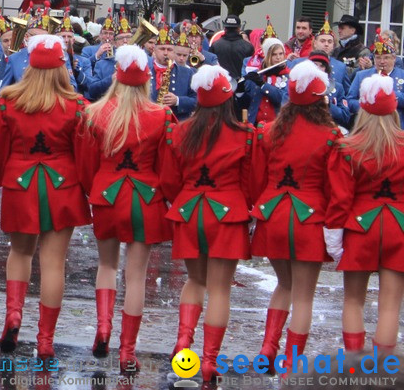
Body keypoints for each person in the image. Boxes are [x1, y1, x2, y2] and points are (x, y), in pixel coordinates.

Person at [0, 34, 87, 358]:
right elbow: (85, 154)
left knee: (19, 254)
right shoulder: (75, 104)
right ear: (61, 68)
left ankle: (13, 315)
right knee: (54, 264)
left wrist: (3, 178)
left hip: (21, 183)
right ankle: (45, 341)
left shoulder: (8, 99)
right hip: (63, 186)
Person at [75, 44, 171, 373]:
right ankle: (127, 351)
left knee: (106, 266)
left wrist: (94, 190)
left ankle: (103, 329)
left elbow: (87, 166)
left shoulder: (93, 113)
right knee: (137, 277)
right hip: (146, 198)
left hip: (107, 196)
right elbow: (165, 168)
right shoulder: (161, 115)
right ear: (146, 80)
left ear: (116, 76)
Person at [160, 65, 254, 385]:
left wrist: (186, 199)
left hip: (189, 211)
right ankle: (210, 361)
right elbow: (250, 183)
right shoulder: (245, 134)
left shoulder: (180, 131)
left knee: (195, 281)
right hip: (227, 214)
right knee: (219, 289)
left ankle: (183, 343)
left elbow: (169, 182)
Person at [250, 60, 337, 373]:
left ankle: (267, 349)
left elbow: (257, 178)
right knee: (303, 297)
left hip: (272, 216)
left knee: (282, 285)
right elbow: (333, 186)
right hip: (308, 221)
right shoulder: (330, 136)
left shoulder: (269, 131)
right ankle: (291, 361)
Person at [325, 74, 404, 356]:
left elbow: (340, 197)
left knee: (353, 301)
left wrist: (333, 235)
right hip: (399, 228)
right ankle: (383, 374)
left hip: (360, 228)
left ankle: (354, 369)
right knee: (390, 305)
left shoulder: (348, 147)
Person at [345, 31, 404, 125]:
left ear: (394, 58)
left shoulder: (402, 75)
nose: (382, 61)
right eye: (378, 58)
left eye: (386, 58)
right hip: (367, 126)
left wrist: (389, 92)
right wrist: (368, 104)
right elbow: (349, 101)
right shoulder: (361, 76)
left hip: (395, 128)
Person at [148, 24, 197, 120]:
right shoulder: (144, 70)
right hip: (150, 122)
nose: (166, 53)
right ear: (154, 50)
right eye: (162, 49)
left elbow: (197, 100)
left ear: (174, 51)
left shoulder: (187, 73)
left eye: (169, 50)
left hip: (177, 124)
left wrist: (178, 100)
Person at [244, 38, 289, 126]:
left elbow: (280, 99)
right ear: (267, 56)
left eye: (281, 54)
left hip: (276, 125)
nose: (278, 57)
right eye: (274, 54)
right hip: (255, 124)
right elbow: (248, 101)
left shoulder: (287, 76)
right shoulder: (258, 74)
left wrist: (263, 85)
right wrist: (241, 89)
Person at [210, 15, 254, 81]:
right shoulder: (248, 46)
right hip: (241, 85)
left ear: (224, 28)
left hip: (221, 84)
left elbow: (210, 66)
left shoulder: (215, 45)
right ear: (239, 28)